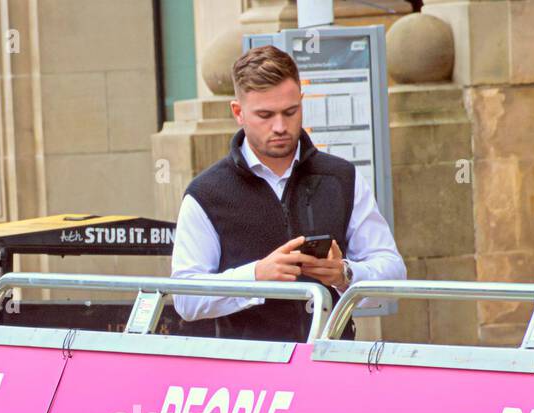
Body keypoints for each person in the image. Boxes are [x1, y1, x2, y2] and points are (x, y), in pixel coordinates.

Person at [171, 45, 405, 342]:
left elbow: (394, 272)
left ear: (301, 103)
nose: (280, 126)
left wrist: (343, 274)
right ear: (238, 113)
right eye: (265, 115)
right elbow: (185, 299)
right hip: (250, 374)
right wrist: (256, 277)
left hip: (330, 362)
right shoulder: (205, 193)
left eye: (290, 112)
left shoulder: (341, 177)